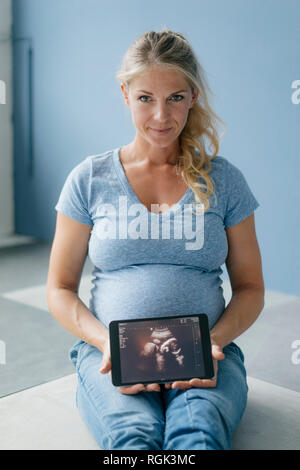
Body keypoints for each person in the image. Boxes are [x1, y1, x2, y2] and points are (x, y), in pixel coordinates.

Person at [46, 28, 265, 450]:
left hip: (208, 353)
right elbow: (58, 287)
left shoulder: (226, 180)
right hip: (112, 355)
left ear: (193, 97)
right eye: (146, 98)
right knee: (132, 440)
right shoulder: (89, 179)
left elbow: (252, 288)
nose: (161, 116)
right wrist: (106, 342)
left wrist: (212, 343)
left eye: (175, 98)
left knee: (198, 435)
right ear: (126, 94)